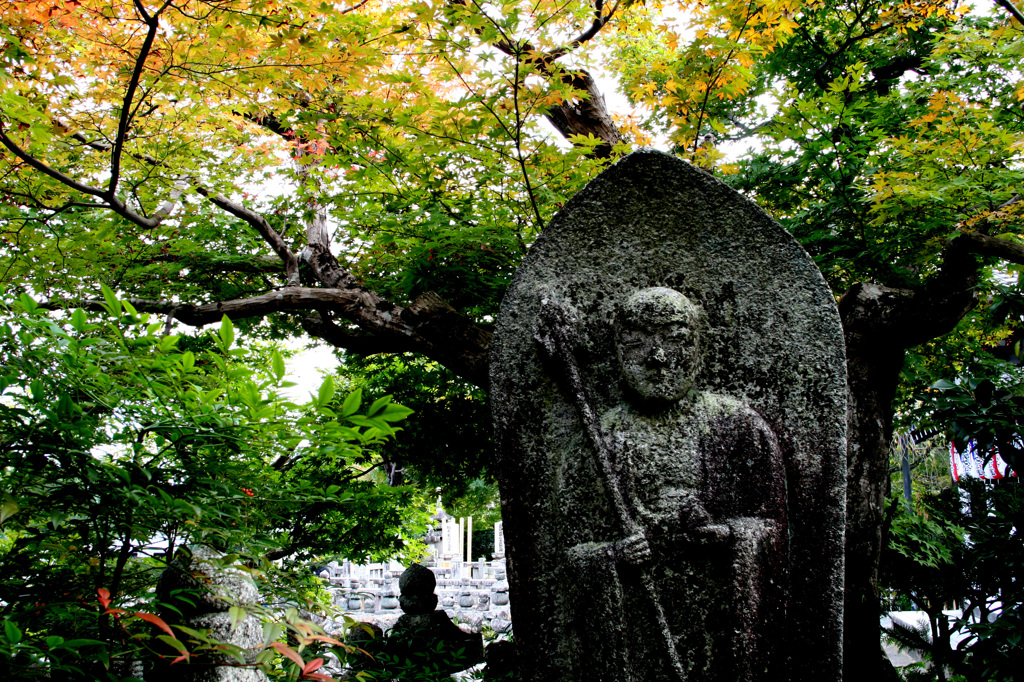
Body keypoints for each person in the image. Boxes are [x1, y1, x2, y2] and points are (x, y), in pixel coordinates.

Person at [559, 287, 788, 681]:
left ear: (699, 347)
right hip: (639, 620)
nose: (658, 357)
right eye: (636, 342)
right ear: (617, 352)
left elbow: (775, 529)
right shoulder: (598, 438)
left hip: (719, 618)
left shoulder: (737, 425)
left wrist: (728, 534)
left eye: (676, 339)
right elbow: (568, 549)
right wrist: (613, 555)